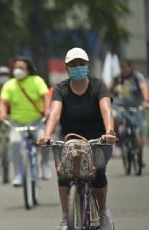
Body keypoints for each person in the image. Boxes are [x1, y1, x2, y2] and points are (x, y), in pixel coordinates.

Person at [38, 47, 117, 230]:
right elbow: (55, 114)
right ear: (66, 67)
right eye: (73, 65)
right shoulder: (60, 89)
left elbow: (106, 110)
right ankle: (66, 217)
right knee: (64, 173)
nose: (78, 67)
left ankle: (104, 212)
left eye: (81, 64)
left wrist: (110, 132)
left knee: (98, 172)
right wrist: (46, 135)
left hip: (98, 139)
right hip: (69, 139)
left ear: (87, 65)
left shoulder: (98, 86)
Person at [0, 57, 51, 185]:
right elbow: (2, 102)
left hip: (36, 121)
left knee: (44, 140)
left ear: (28, 70)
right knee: (15, 144)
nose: (18, 70)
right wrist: (2, 113)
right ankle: (18, 175)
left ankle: (44, 165)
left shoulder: (37, 80)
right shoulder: (9, 84)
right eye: (16, 68)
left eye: (21, 68)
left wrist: (48, 109)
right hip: (16, 123)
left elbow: (46, 96)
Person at [109, 59, 149, 167]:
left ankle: (139, 156)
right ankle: (119, 140)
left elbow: (144, 88)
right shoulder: (117, 78)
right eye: (121, 67)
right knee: (114, 118)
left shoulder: (137, 77)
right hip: (119, 107)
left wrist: (145, 101)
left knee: (138, 132)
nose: (123, 70)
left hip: (136, 106)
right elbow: (108, 90)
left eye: (124, 67)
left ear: (130, 67)